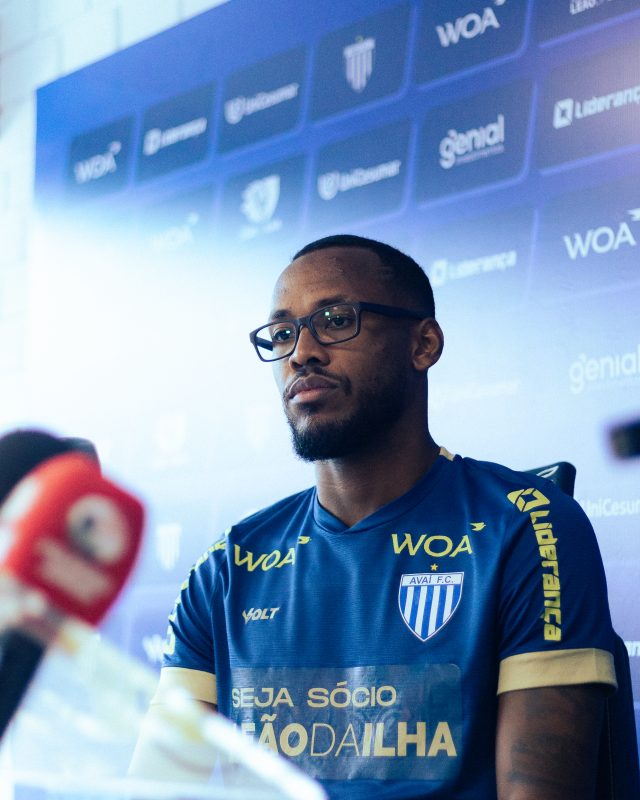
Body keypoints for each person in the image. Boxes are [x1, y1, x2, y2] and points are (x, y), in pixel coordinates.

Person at [145, 235, 617, 798]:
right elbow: (159, 786)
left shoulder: (527, 526)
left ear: (423, 344)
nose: (302, 352)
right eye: (282, 333)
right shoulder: (227, 570)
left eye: (335, 319)